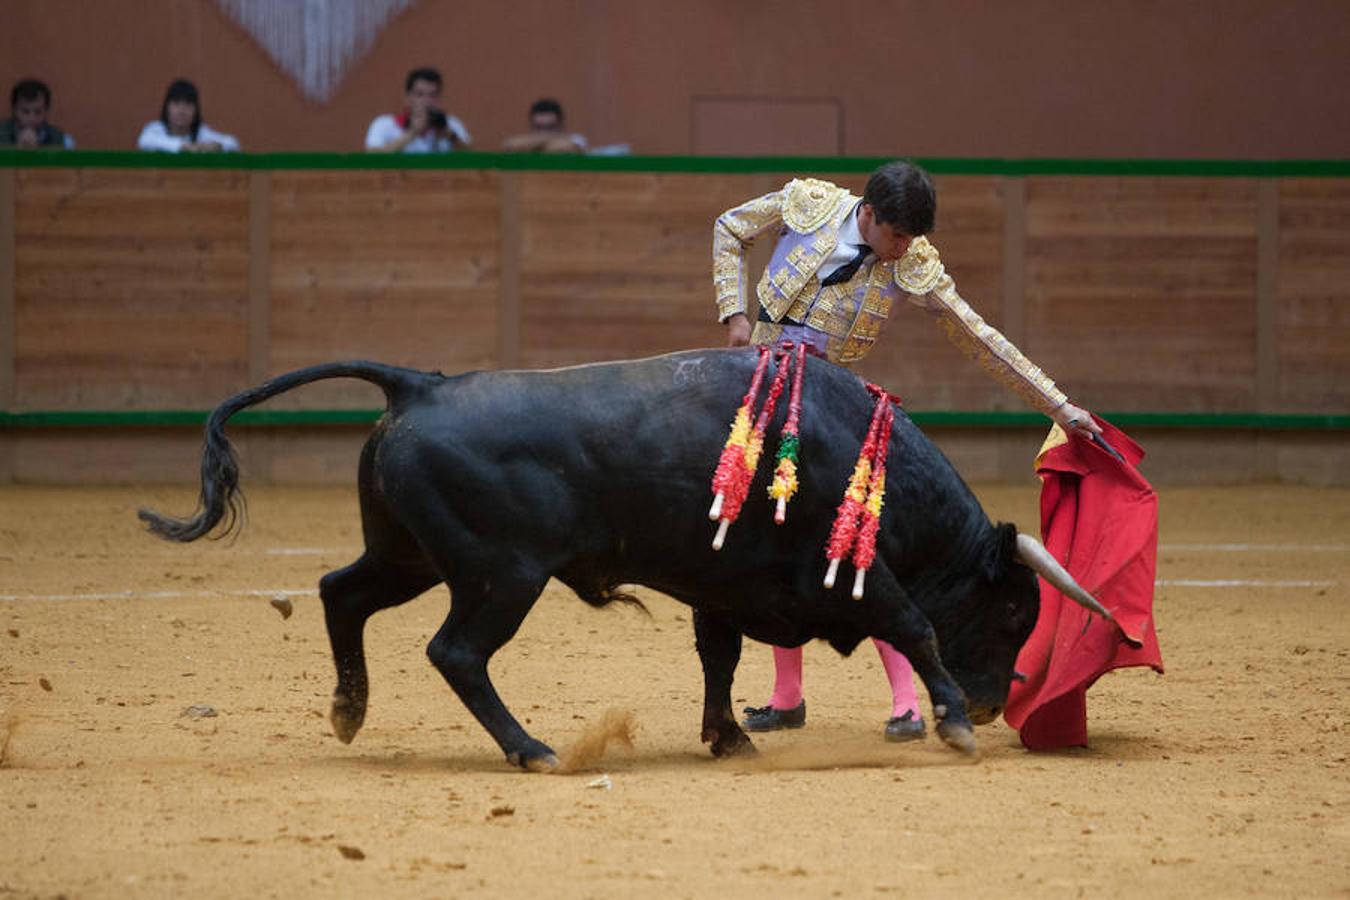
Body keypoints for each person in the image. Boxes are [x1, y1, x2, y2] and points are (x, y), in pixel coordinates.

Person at [713, 160, 1101, 742]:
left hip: (831, 410)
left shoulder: (912, 264)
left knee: (862, 543)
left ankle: (905, 704)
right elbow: (729, 227)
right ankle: (786, 696)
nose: (903, 248)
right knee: (773, 535)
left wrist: (1059, 406)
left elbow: (979, 335)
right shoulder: (807, 202)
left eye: (912, 238)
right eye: (896, 235)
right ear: (867, 214)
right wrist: (735, 311)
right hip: (763, 391)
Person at [365, 67, 471, 153]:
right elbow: (372, 156)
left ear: (439, 99)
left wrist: (450, 136)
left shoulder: (451, 124)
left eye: (433, 95)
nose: (426, 101)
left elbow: (472, 158)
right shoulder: (385, 124)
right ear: (407, 98)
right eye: (419, 95)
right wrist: (412, 133)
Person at [137, 79, 239, 153]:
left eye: (188, 104)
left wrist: (217, 146)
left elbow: (232, 143)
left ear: (196, 110)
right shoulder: (155, 129)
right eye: (176, 103)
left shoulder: (201, 133)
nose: (182, 111)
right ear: (167, 107)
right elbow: (144, 141)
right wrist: (185, 147)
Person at [1, 79, 75, 149]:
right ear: (14, 110)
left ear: (46, 111)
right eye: (25, 111)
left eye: (38, 112)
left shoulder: (63, 141)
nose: (31, 118)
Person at [502, 98, 587, 154]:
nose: (544, 132)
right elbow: (510, 145)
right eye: (539, 127)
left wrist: (534, 146)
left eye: (550, 127)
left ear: (560, 124)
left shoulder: (577, 139)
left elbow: (570, 148)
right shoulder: (523, 141)